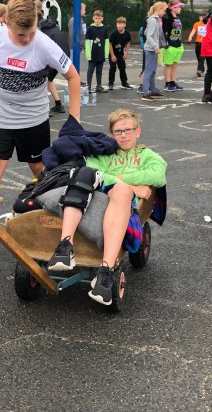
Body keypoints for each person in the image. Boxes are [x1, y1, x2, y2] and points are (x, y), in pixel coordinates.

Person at [0, 0, 81, 250]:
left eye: (31, 33)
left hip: (32, 119)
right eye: (20, 35)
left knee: (39, 168)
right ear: (7, 23)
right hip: (0, 115)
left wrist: (75, 118)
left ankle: (60, 217)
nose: (26, 39)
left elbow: (73, 77)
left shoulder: (45, 45)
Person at [47, 108, 167, 306]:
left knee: (121, 191)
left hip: (121, 202)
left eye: (128, 130)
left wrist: (122, 182)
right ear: (112, 134)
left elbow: (157, 175)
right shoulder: (104, 153)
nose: (124, 135)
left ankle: (106, 269)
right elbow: (93, 172)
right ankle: (66, 247)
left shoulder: (148, 155)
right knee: (92, 179)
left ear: (137, 131)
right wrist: (133, 185)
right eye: (119, 131)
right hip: (96, 199)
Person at [34, 0, 70, 114]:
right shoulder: (50, 23)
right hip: (64, 54)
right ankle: (58, 105)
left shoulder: (40, 27)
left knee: (40, 80)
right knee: (48, 79)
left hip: (54, 56)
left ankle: (44, 108)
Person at [141, 1, 168, 101]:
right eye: (164, 10)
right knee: (148, 71)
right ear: (159, 9)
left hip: (152, 48)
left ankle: (152, 90)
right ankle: (145, 93)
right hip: (151, 49)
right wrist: (156, 46)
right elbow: (149, 36)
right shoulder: (153, 20)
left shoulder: (154, 19)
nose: (164, 13)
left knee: (152, 71)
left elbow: (146, 32)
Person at [161, 0, 185, 91]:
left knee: (175, 65)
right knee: (168, 65)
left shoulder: (177, 18)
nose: (180, 8)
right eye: (178, 7)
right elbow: (164, 31)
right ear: (173, 8)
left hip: (178, 45)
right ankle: (167, 83)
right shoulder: (168, 18)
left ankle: (173, 82)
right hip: (170, 45)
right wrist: (165, 43)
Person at [85, 9, 109, 93]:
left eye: (99, 18)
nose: (97, 20)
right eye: (96, 18)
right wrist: (88, 55)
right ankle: (88, 87)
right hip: (92, 55)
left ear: (102, 18)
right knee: (90, 71)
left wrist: (106, 54)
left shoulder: (105, 28)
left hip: (101, 54)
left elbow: (106, 42)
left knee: (99, 71)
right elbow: (87, 42)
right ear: (93, 18)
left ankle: (99, 86)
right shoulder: (90, 29)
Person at [108, 16, 132, 90]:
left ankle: (124, 83)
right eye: (118, 24)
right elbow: (110, 44)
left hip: (120, 52)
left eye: (121, 24)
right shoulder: (114, 33)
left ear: (125, 25)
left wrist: (126, 53)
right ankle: (111, 83)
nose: (119, 25)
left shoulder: (127, 32)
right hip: (113, 52)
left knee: (122, 68)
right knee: (113, 68)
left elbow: (128, 42)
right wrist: (112, 55)